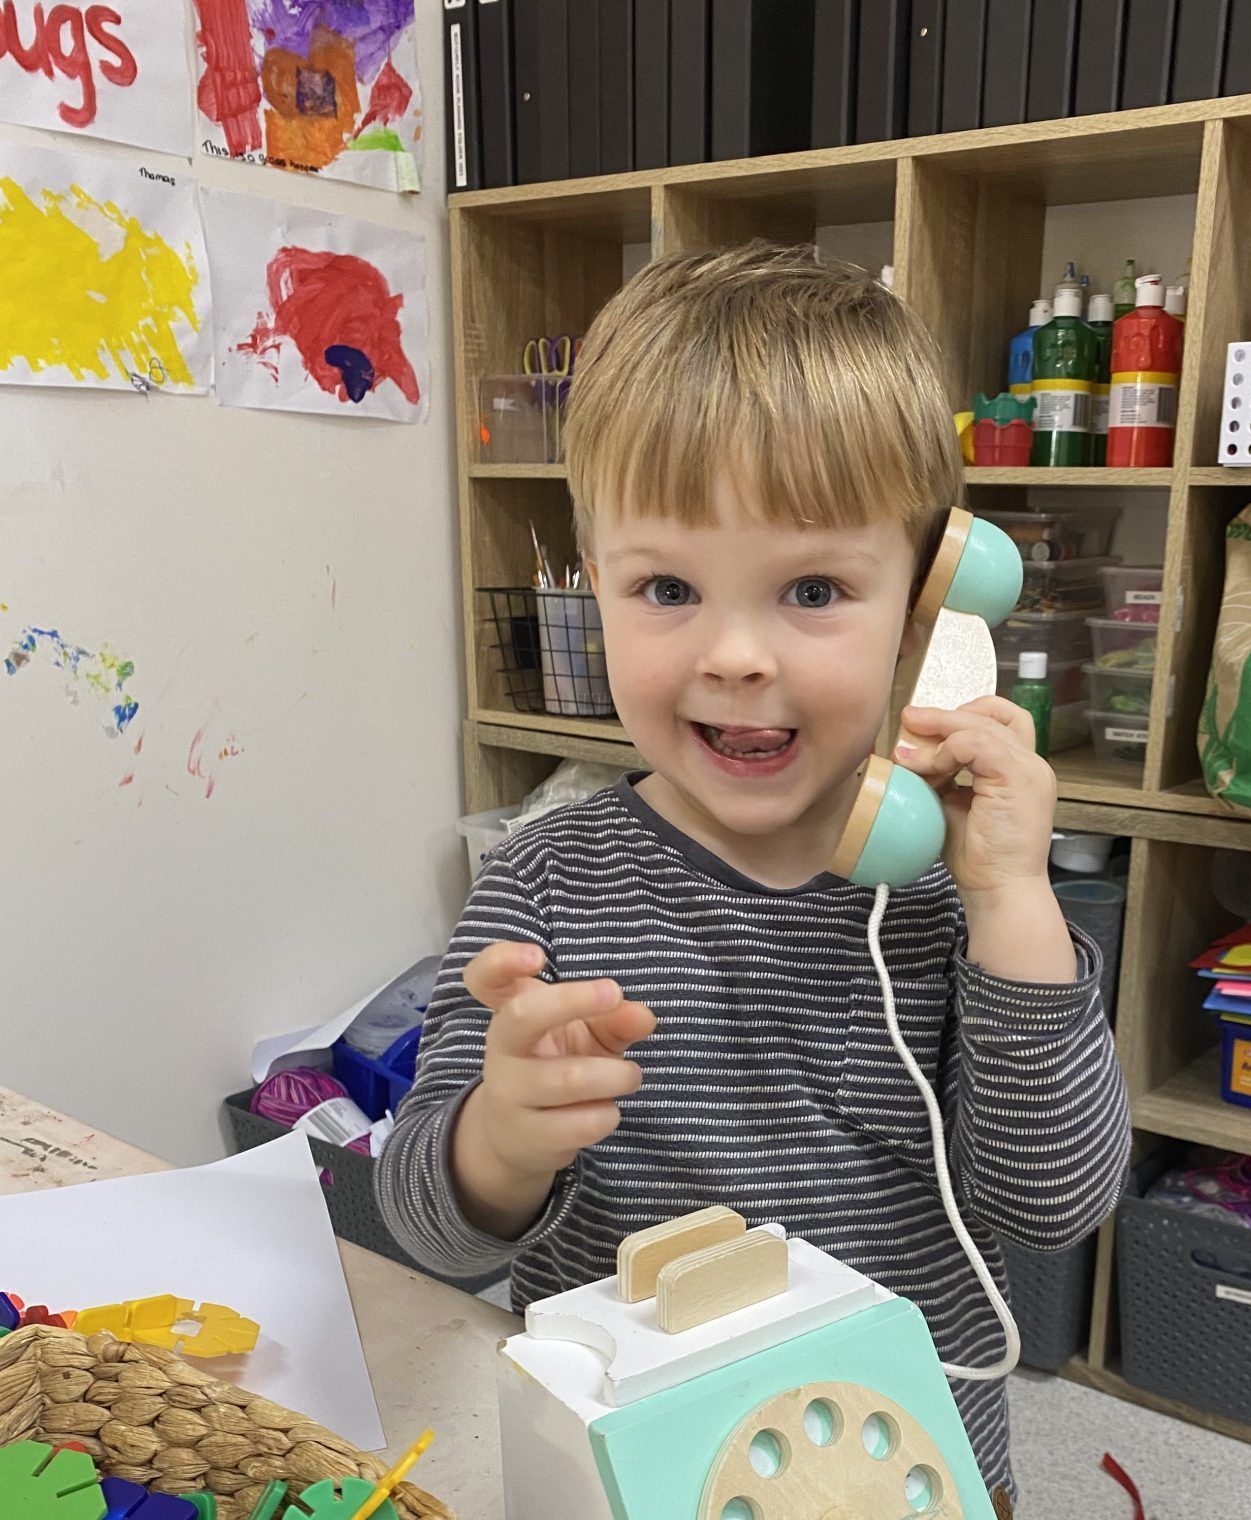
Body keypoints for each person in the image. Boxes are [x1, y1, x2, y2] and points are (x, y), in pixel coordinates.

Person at [377, 241, 1130, 1513]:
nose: (734, 655)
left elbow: (1054, 1204)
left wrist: (1014, 902)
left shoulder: (959, 897)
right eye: (666, 587)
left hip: (906, 1471)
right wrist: (497, 1141)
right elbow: (422, 1229)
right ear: (596, 588)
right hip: (636, 1481)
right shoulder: (546, 880)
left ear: (928, 603)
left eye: (813, 588)